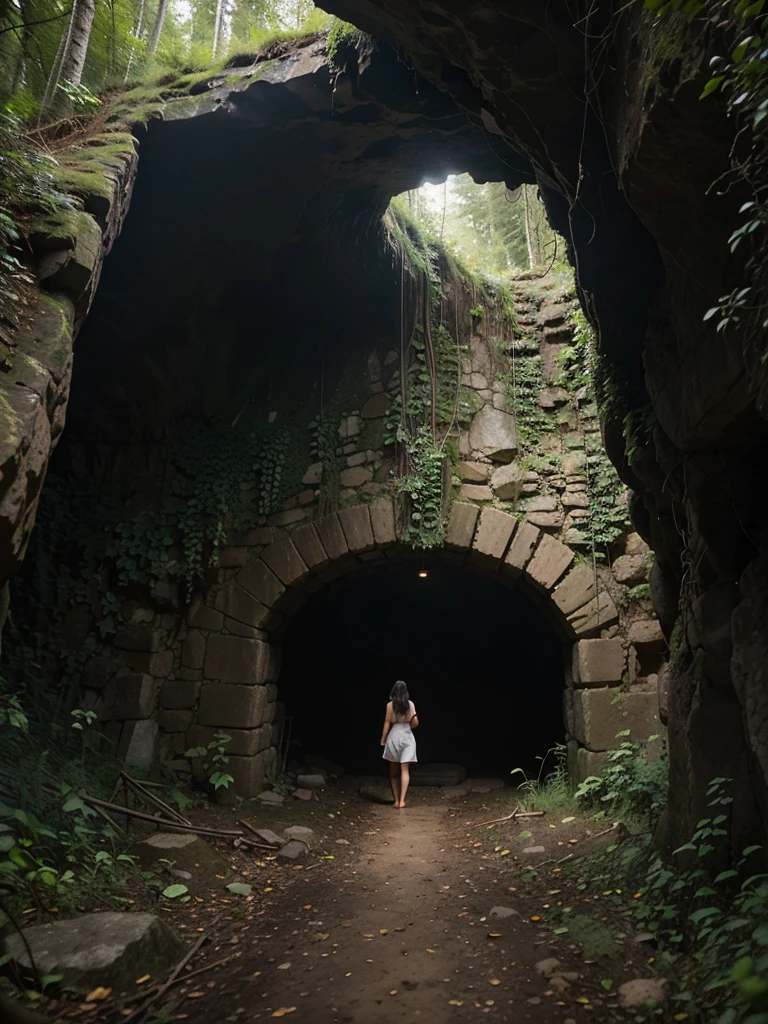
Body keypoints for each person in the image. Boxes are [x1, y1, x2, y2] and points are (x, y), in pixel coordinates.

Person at [380, 680, 419, 808]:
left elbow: (387, 722)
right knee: (405, 770)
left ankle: (396, 800)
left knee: (393, 772)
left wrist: (383, 739)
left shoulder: (390, 705)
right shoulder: (410, 704)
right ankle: (403, 800)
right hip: (407, 736)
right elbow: (415, 722)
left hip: (394, 735)